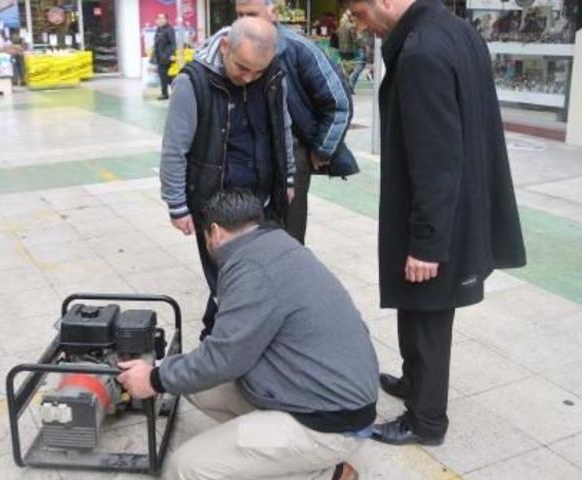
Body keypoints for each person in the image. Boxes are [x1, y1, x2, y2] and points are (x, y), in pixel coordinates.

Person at [343, 0, 526, 445]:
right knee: (418, 306)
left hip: (440, 214)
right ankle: (414, 381)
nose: (359, 24)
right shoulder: (457, 30)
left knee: (427, 313)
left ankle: (426, 420)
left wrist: (426, 243)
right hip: (461, 204)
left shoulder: (422, 51)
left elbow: (435, 158)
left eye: (360, 12)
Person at [119, 189, 378, 480]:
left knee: (186, 468)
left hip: (327, 424)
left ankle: (325, 471)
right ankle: (281, 454)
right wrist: (167, 375)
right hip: (324, 392)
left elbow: (223, 359)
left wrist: (152, 379)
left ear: (214, 232)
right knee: (191, 383)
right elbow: (226, 350)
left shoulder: (251, 269)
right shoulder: (275, 244)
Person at [159, 17, 296, 339]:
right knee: (227, 278)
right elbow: (174, 148)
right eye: (242, 67)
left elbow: (283, 128)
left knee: (252, 275)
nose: (249, 78)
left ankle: (215, 335)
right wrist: (177, 204)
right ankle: (223, 346)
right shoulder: (193, 82)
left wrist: (287, 178)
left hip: (262, 198)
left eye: (258, 71)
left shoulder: (274, 75)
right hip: (215, 202)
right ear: (224, 47)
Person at [235, 0, 358, 246]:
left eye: (251, 14)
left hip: (293, 155)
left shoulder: (298, 50)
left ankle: (288, 280)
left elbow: (339, 103)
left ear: (274, 12)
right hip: (245, 156)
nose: (244, 22)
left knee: (288, 233)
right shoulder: (231, 47)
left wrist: (322, 150)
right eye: (238, 15)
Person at [152, 13, 176, 100]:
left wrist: (172, 54)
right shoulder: (159, 29)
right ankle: (166, 93)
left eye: (162, 18)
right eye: (159, 18)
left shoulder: (169, 29)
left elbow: (173, 43)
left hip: (166, 56)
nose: (160, 20)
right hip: (159, 57)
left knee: (166, 77)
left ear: (166, 19)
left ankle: (169, 93)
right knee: (164, 76)